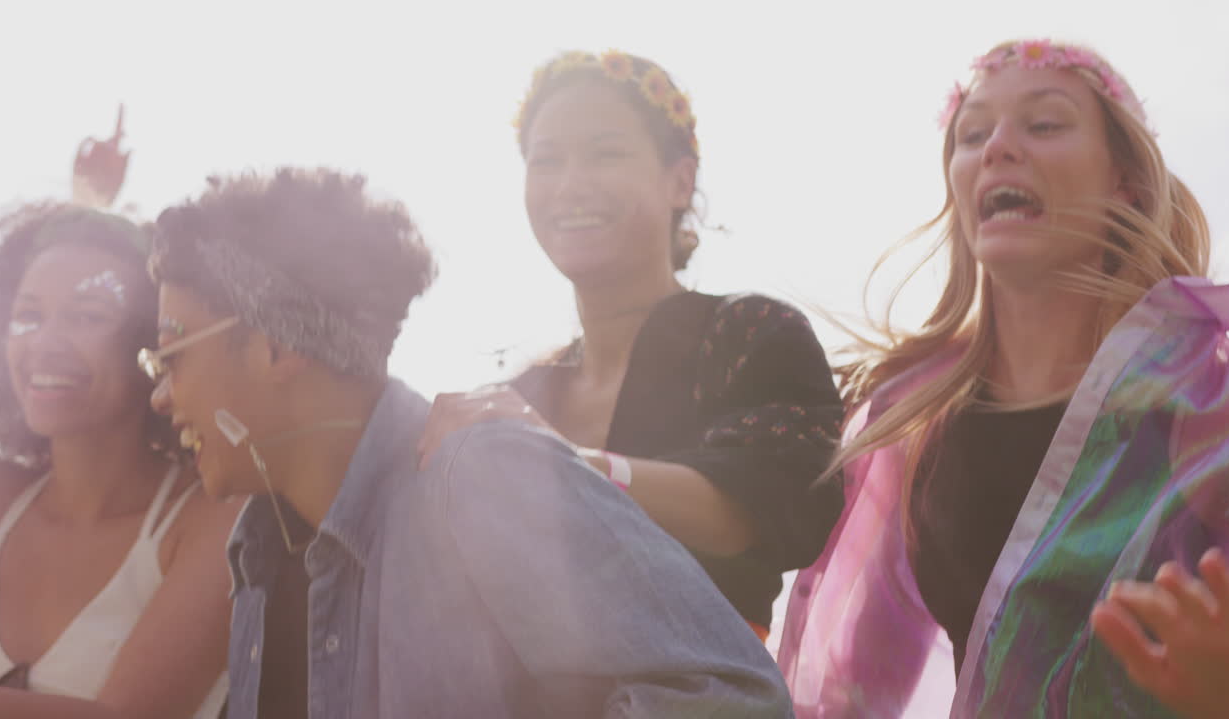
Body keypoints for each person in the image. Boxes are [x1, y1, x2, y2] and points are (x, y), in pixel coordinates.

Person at [145, 167, 795, 718]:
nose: (159, 395)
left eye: (170, 357)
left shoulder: (479, 477)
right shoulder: (262, 547)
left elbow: (734, 698)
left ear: (273, 347)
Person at [777, 39, 1229, 718]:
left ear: (1126, 180)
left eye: (1044, 123)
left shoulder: (1216, 407)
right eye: (971, 134)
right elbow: (851, 687)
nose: (997, 147)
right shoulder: (908, 426)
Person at [416, 50, 846, 640]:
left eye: (606, 154)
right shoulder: (525, 390)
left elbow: (760, 506)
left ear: (680, 180)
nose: (571, 186)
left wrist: (557, 459)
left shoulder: (749, 335)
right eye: (546, 161)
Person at [0, 205, 236, 718]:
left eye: (87, 317)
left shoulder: (213, 518)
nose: (44, 343)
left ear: (155, 345)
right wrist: (85, 200)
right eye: (28, 315)